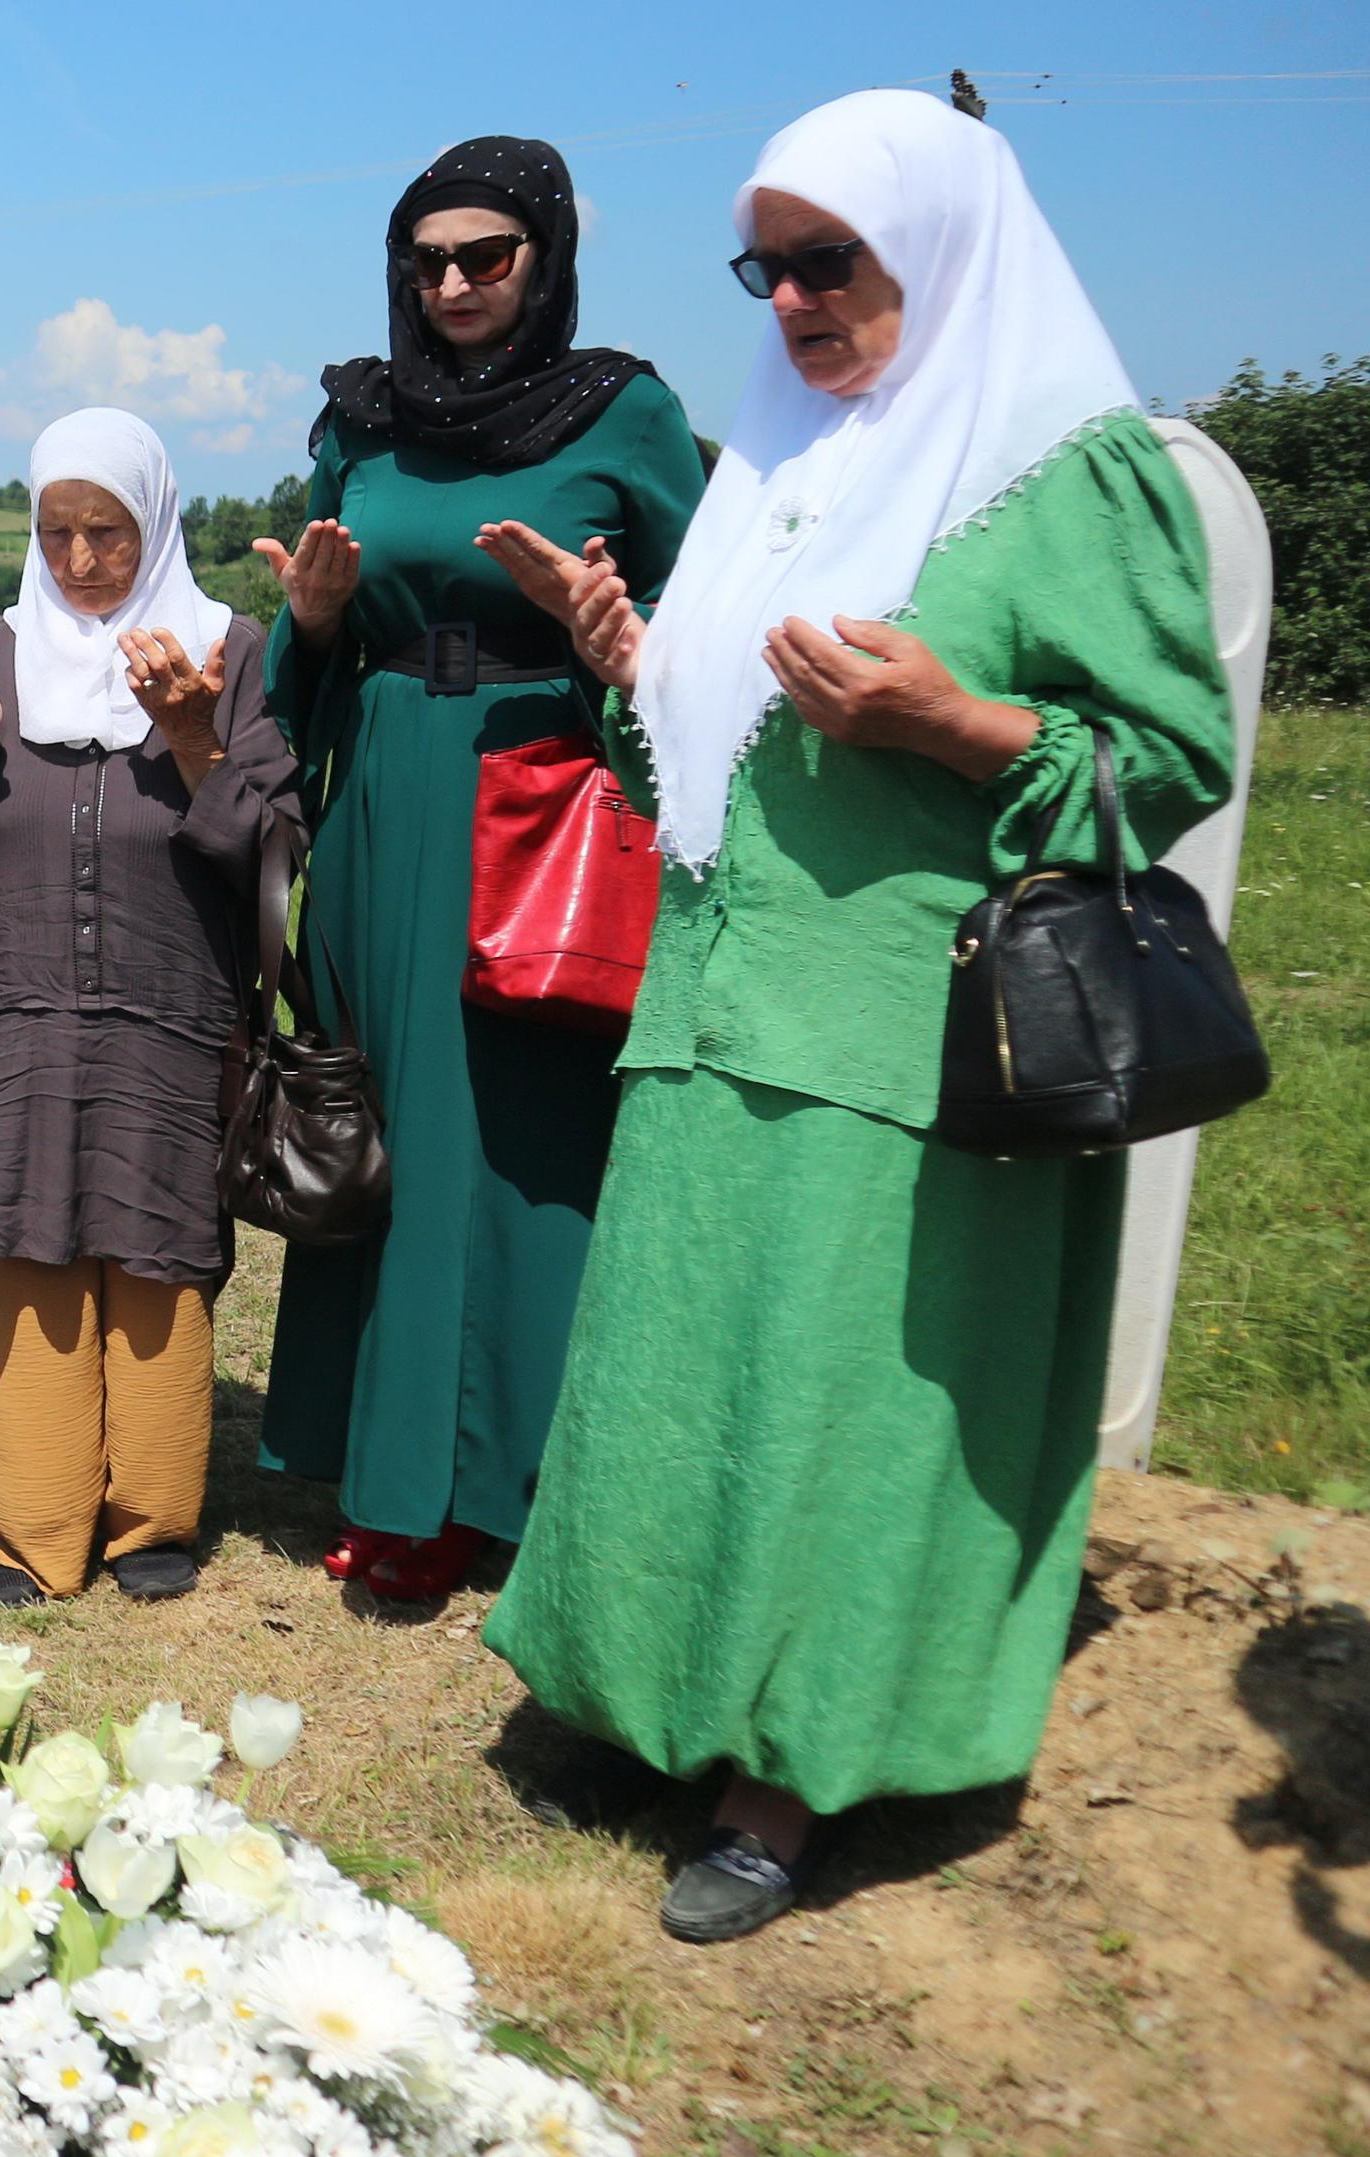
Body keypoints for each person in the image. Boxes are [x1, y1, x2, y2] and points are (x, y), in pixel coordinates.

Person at [481, 89, 1235, 1942]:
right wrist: (631, 662)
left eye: (834, 262)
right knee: (682, 1389)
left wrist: (956, 725)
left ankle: (792, 1773)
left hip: (910, 1042)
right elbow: (714, 764)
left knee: (838, 1417)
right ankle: (647, 1706)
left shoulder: (1070, 470)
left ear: (947, 246)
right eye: (770, 268)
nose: (797, 302)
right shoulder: (783, 464)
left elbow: (1173, 756)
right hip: (721, 1013)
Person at [248, 137, 707, 1602]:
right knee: (381, 1125)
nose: (451, 283)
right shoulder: (361, 424)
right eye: (427, 260)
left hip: (543, 793)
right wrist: (314, 628)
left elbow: (705, 628)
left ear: (547, 257)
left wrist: (606, 634)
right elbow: (304, 641)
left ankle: (510, 1482)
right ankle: (389, 1472)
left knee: (509, 1145)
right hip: (384, 792)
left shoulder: (623, 412)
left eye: (485, 257)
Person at [0, 410, 299, 1609]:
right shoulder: (3, 659)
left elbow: (278, 851)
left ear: (159, 523)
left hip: (173, 1003)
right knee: (29, 1247)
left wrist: (192, 739)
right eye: (58, 533)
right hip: (28, 1006)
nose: (83, 561)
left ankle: (150, 1520)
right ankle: (35, 1528)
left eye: (110, 532)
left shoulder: (228, 652)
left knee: (159, 1250)